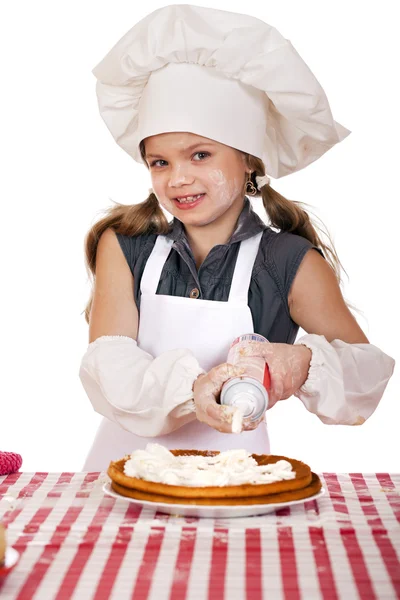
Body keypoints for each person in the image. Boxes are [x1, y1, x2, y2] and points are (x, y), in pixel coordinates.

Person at [78, 5, 395, 472]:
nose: (178, 179)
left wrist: (302, 362)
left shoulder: (288, 261)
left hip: (235, 477)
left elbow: (365, 376)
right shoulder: (125, 245)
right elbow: (108, 366)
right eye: (160, 162)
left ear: (248, 159)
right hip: (125, 472)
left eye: (200, 154)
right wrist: (193, 390)